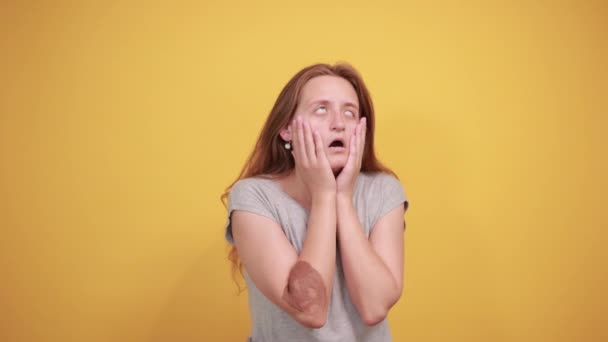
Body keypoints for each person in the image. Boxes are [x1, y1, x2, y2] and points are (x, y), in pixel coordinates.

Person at [222, 63, 409, 342]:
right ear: (286, 129)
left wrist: (342, 199)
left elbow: (375, 307)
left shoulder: (383, 190)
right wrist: (323, 197)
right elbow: (310, 311)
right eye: (321, 109)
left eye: (350, 112)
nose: (338, 123)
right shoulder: (253, 197)